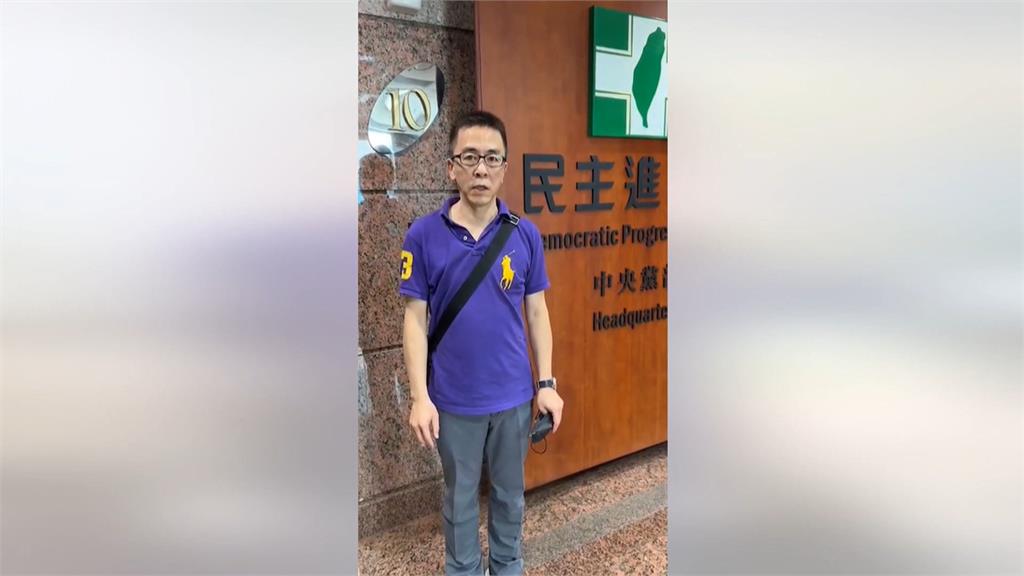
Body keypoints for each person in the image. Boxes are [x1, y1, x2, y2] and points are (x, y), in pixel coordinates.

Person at [398, 110, 564, 575]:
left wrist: (546, 383)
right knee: (460, 499)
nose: (481, 169)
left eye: (492, 158)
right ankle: (464, 569)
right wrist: (420, 397)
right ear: (451, 167)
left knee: (510, 496)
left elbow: (537, 312)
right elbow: (414, 320)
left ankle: (507, 566)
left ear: (505, 168)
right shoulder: (423, 235)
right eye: (469, 157)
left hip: (513, 397)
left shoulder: (524, 234)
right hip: (453, 401)